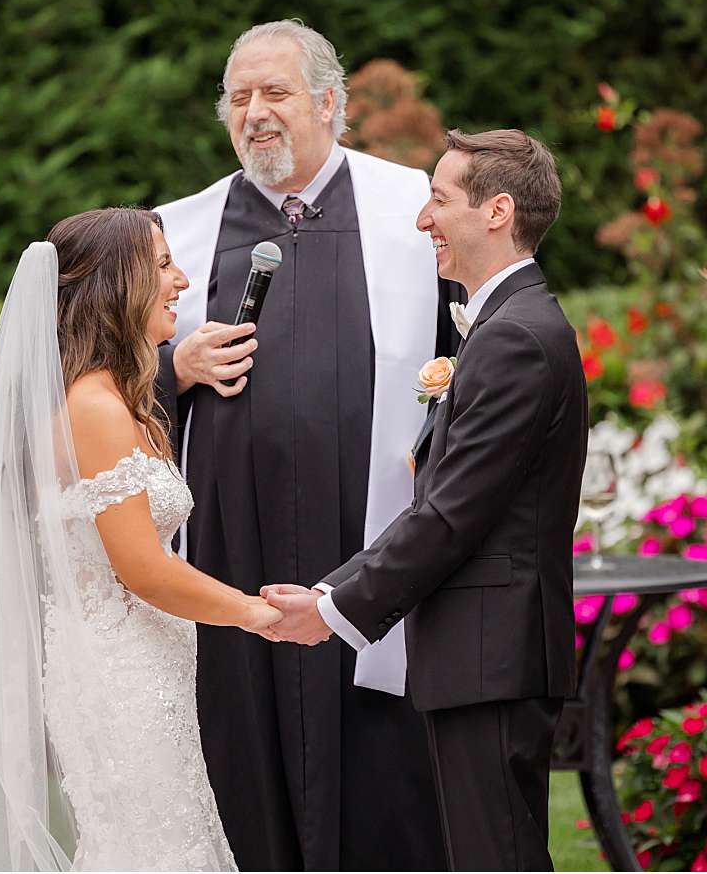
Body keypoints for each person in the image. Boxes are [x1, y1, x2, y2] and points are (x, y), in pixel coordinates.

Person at [154, 20, 455, 871]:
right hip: (229, 541)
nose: (255, 113)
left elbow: (473, 350)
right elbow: (103, 387)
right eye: (238, 97)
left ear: (331, 102)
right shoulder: (176, 232)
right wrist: (174, 366)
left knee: (379, 762)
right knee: (241, 742)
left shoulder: (416, 211)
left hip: (372, 537)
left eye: (275, 92)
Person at [0, 208, 282, 872]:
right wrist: (256, 613)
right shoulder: (94, 410)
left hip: (146, 673)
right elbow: (143, 569)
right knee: (150, 849)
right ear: (118, 284)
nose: (182, 281)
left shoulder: (117, 400)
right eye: (164, 265)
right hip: (120, 680)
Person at [264, 129, 587, 872]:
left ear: (497, 210)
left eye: (438, 202)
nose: (422, 222)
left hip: (492, 656)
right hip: (481, 656)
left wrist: (331, 609)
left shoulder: (516, 339)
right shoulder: (506, 327)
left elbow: (449, 517)